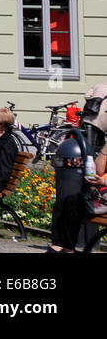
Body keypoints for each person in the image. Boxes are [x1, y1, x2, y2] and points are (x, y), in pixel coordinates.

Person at [50, 84, 107, 252]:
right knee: (68, 200)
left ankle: (65, 248)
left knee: (74, 202)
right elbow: (99, 168)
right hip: (101, 191)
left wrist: (102, 180)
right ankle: (63, 246)